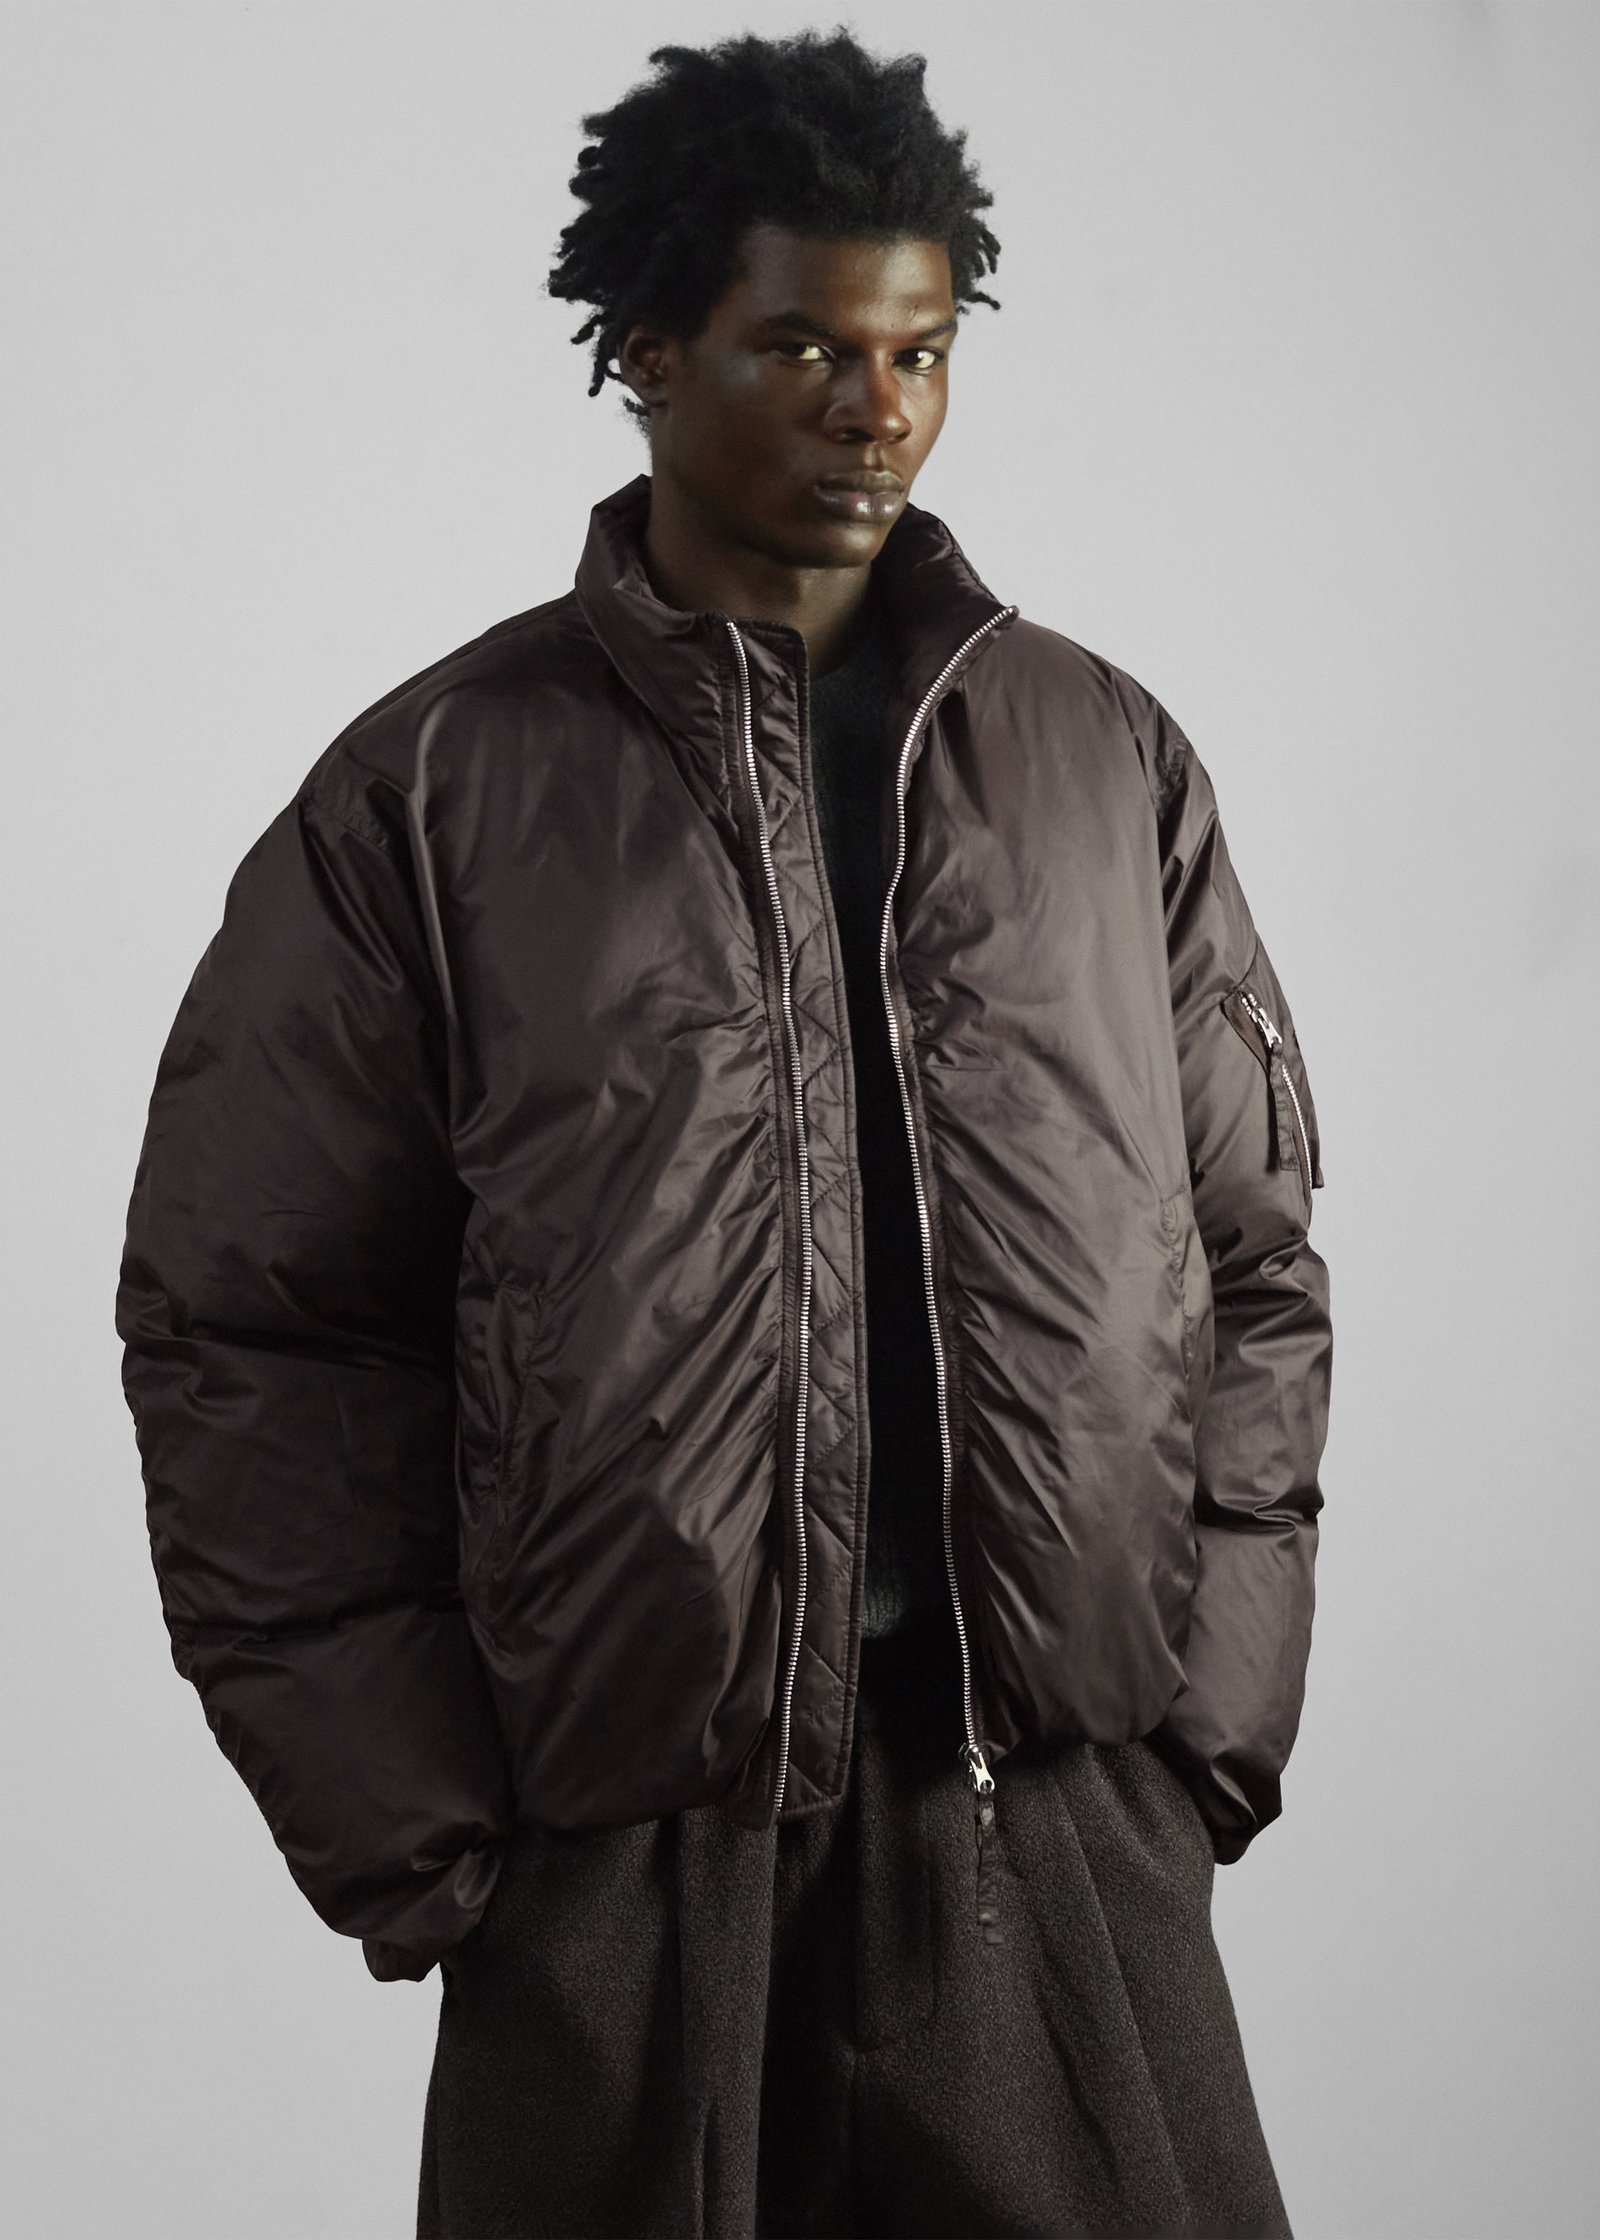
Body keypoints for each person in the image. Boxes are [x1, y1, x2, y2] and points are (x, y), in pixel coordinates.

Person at [117, 26, 1331, 2240]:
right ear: (649, 352)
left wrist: (1193, 1745)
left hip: (1040, 1816)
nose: (876, 408)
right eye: (803, 347)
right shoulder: (434, 793)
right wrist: (431, 1834)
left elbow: (1246, 1269)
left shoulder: (1102, 763)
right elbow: (254, 1329)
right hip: (623, 1859)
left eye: (918, 351)